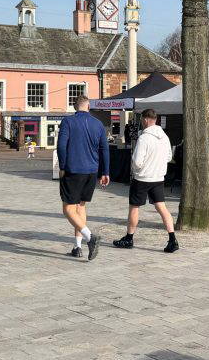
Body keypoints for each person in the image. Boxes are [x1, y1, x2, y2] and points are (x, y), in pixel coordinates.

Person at [113, 109, 179, 253]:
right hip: (158, 177)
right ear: (155, 120)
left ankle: (129, 238)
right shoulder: (164, 137)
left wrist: (138, 169)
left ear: (145, 120)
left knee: (134, 207)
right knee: (162, 207)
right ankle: (172, 239)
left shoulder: (144, 138)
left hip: (142, 178)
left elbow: (136, 161)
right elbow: (169, 157)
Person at [55, 95, 109, 260]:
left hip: (74, 169)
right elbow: (104, 149)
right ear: (89, 106)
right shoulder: (98, 124)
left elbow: (61, 146)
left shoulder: (68, 122)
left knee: (68, 209)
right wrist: (105, 172)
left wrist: (62, 167)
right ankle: (77, 247)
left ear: (74, 106)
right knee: (81, 207)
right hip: (91, 171)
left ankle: (89, 237)